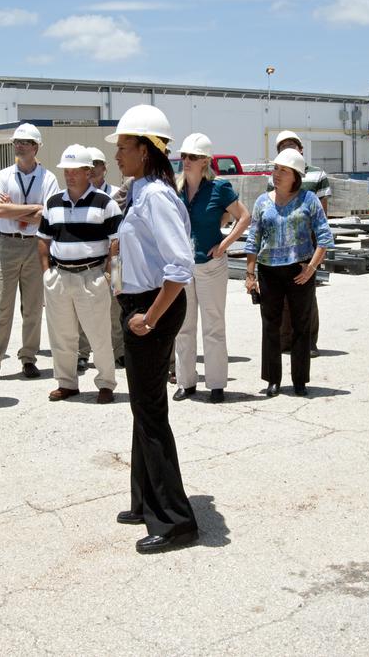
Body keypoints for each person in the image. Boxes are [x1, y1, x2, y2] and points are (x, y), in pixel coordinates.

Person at [107, 104, 200, 554]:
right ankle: (146, 500)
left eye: (124, 148)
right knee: (144, 409)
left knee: (150, 413)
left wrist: (151, 316)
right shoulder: (142, 191)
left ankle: (176, 520)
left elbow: (180, 266)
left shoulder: (157, 196)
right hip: (140, 303)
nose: (117, 156)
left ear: (145, 150)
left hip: (153, 308)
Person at [244, 148, 333, 397]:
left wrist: (312, 267)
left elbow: (325, 237)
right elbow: (253, 238)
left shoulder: (309, 200)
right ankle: (273, 379)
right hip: (269, 271)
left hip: (299, 270)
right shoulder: (262, 201)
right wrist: (250, 274)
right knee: (270, 325)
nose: (277, 174)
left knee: (301, 325)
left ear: (296, 175)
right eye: (276, 169)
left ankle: (300, 380)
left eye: (283, 170)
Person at [38, 144, 123, 404]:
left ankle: (106, 383)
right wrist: (46, 274)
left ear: (89, 171)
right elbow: (42, 239)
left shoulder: (106, 203)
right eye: (66, 170)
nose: (70, 175)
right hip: (59, 277)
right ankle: (67, 383)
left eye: (76, 170)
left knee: (99, 334)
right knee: (61, 335)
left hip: (93, 275)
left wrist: (113, 279)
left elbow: (117, 244)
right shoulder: (52, 203)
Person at [172, 133, 251, 404]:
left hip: (211, 265)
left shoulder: (220, 187)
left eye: (193, 157)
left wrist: (225, 244)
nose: (187, 161)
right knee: (183, 325)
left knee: (213, 325)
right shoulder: (176, 188)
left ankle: (216, 384)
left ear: (205, 160)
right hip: (184, 265)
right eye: (184, 156)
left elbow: (244, 216)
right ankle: (186, 382)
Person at [0, 123, 61, 380]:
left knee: (33, 307)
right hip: (7, 244)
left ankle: (28, 357)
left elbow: (49, 215)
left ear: (36, 147)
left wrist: (16, 209)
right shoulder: (3, 175)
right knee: (1, 305)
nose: (19, 146)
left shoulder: (48, 178)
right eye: (17, 141)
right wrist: (32, 210)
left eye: (25, 142)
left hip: (35, 245)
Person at [270, 130, 330, 357]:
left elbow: (322, 209)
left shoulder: (317, 175)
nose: (288, 150)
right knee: (283, 295)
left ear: (301, 149)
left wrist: (316, 245)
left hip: (307, 243)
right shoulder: (273, 177)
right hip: (281, 244)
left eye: (291, 146)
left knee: (305, 294)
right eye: (283, 147)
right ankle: (286, 340)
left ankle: (308, 341)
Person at [76, 146, 125, 372]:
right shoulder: (78, 195)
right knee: (84, 305)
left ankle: (119, 352)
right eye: (89, 165)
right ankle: (82, 353)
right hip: (90, 259)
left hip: (115, 260)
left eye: (97, 164)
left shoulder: (117, 193)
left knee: (116, 305)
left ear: (105, 168)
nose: (93, 169)